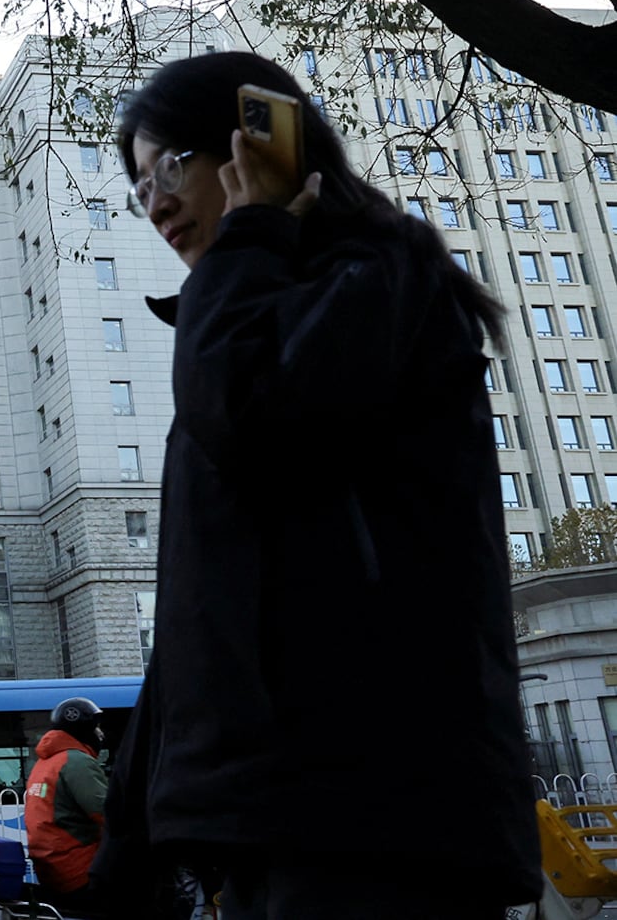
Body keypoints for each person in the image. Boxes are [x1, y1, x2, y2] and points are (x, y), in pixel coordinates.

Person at [87, 51, 542, 918]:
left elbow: (251, 421)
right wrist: (131, 832)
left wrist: (254, 236)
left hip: (375, 815)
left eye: (172, 167)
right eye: (140, 187)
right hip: (287, 817)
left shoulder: (378, 283)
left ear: (257, 145)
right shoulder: (258, 310)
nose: (158, 204)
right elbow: (202, 609)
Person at [26, 697, 107, 918]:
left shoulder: (43, 764)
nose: (101, 734)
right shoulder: (77, 762)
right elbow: (110, 815)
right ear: (83, 729)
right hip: (79, 871)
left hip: (53, 870)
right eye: (96, 727)